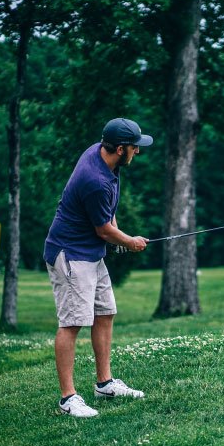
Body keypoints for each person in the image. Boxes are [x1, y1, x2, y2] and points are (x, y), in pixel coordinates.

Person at [44, 118, 152, 417]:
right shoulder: (95, 180)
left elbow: (108, 216)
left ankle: (104, 383)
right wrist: (129, 241)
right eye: (134, 148)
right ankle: (68, 399)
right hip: (71, 254)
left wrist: (119, 236)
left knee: (105, 312)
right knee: (72, 323)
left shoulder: (102, 157)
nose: (137, 153)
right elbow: (103, 228)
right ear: (120, 148)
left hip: (91, 251)